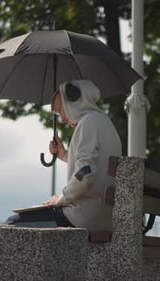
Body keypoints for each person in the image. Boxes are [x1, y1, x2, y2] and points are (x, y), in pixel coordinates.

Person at [6, 80, 122, 232]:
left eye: (61, 109)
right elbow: (95, 166)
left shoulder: (88, 123)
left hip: (82, 217)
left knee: (12, 224)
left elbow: (86, 174)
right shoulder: (103, 122)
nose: (61, 118)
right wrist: (65, 155)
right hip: (103, 217)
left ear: (75, 101)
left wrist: (60, 200)